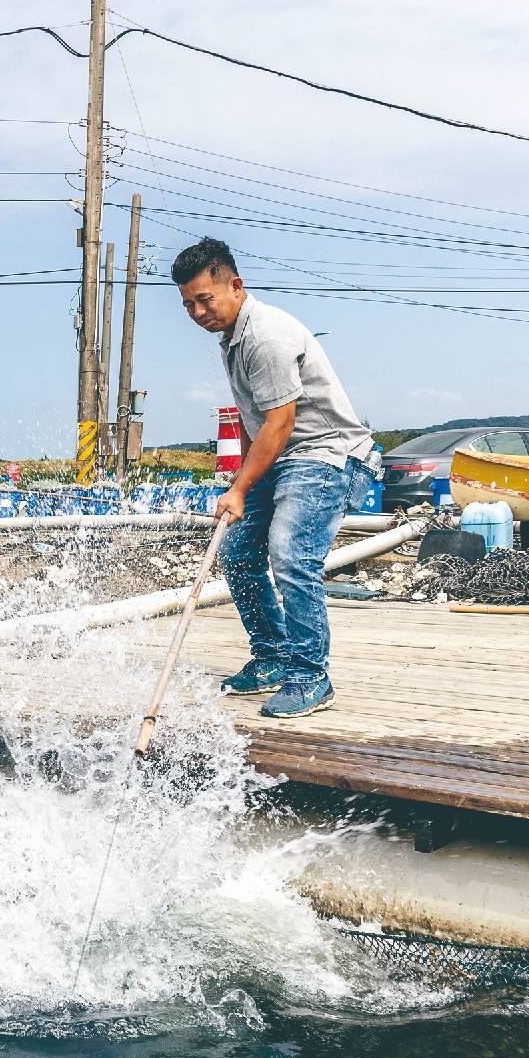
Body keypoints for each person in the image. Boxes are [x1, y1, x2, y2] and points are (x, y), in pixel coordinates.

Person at [170, 238, 379, 718]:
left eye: (206, 299)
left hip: (326, 455)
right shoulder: (232, 337)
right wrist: (238, 486)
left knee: (290, 554)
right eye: (188, 304)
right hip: (282, 454)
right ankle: (271, 657)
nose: (199, 312)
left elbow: (281, 422)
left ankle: (310, 676)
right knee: (238, 551)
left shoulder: (266, 336)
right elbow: (255, 423)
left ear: (236, 286)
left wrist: (241, 487)